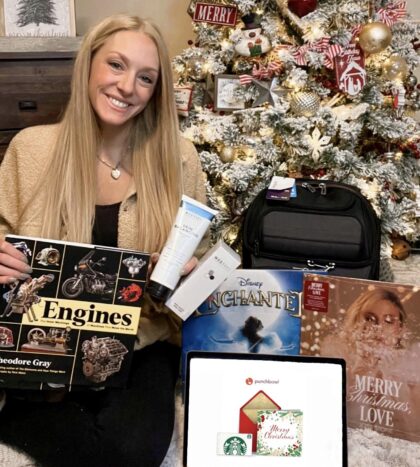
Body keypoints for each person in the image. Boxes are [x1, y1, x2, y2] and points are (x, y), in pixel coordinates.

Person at [0, 14, 207, 467]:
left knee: (135, 451)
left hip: (141, 343)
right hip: (44, 342)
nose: (127, 86)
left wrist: (187, 276)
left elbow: (197, 283)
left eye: (145, 77)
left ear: (156, 90)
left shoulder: (179, 158)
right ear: (89, 64)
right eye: (116, 65)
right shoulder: (31, 149)